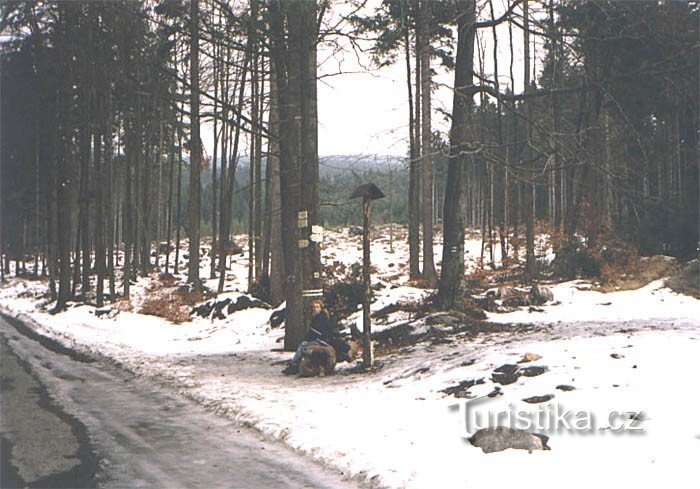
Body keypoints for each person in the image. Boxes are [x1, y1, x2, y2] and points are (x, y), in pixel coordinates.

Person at [282, 300, 337, 375]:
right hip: (320, 339)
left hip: (323, 340)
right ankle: (297, 363)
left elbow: (315, 332)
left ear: (321, 308)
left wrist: (307, 340)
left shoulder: (321, 318)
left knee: (302, 346)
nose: (315, 309)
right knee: (304, 345)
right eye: (314, 307)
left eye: (317, 307)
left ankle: (293, 365)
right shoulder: (317, 317)